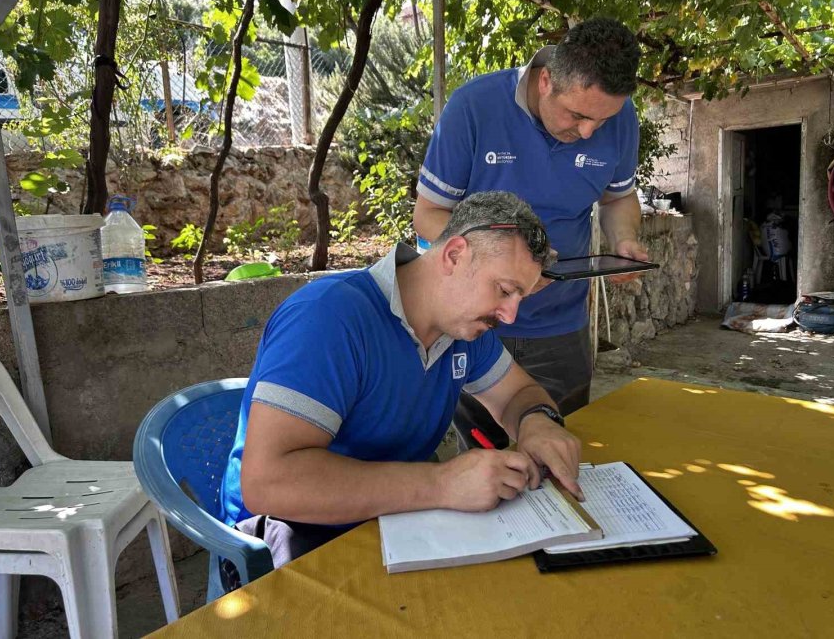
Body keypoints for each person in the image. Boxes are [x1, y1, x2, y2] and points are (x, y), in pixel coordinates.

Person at [220, 191, 584, 569]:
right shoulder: (327, 318)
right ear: (455, 255)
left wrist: (537, 422)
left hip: (397, 520)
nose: (510, 315)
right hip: (291, 535)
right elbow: (268, 483)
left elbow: (518, 394)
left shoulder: (464, 330)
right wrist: (441, 484)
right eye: (505, 291)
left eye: (520, 297)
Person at [412, 17, 647, 450]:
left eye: (603, 119)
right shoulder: (473, 108)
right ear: (545, 81)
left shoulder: (619, 115)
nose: (588, 132)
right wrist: (506, 264)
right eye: (577, 114)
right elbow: (428, 214)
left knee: (564, 449)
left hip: (563, 326)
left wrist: (625, 239)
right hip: (479, 327)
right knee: (485, 458)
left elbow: (617, 199)